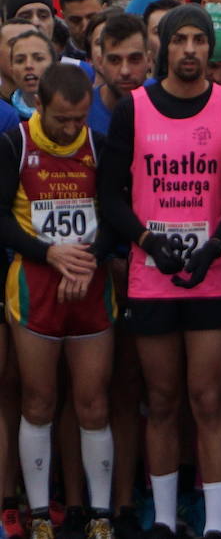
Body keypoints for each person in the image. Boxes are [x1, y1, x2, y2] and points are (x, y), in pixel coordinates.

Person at [98, 5, 221, 539]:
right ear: (161, 47)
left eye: (198, 40)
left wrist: (218, 243)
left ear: (211, 48)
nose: (188, 50)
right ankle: (161, 518)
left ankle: (217, 524)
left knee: (208, 399)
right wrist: (145, 240)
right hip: (151, 273)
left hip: (213, 274)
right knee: (160, 400)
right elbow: (109, 194)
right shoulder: (133, 109)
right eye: (178, 39)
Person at [0, 66, 116, 539]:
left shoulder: (98, 146)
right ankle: (42, 514)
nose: (72, 129)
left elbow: (116, 216)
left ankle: (101, 516)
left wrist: (86, 260)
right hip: (34, 283)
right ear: (40, 106)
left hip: (89, 283)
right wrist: (49, 253)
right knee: (39, 400)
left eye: (80, 119)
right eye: (62, 120)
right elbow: (1, 219)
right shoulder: (14, 143)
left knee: (93, 403)